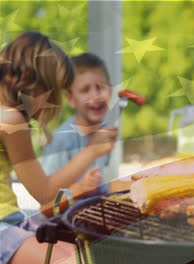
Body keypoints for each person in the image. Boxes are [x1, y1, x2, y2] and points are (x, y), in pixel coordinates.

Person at [0, 32, 117, 263]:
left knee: (86, 254)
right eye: (52, 92)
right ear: (26, 78)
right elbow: (44, 193)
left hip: (11, 220)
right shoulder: (11, 119)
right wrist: (92, 150)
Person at [40, 53, 115, 213]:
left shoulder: (107, 132)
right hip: (62, 227)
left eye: (100, 87)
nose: (95, 96)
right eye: (85, 90)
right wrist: (79, 189)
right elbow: (45, 207)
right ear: (70, 98)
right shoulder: (60, 141)